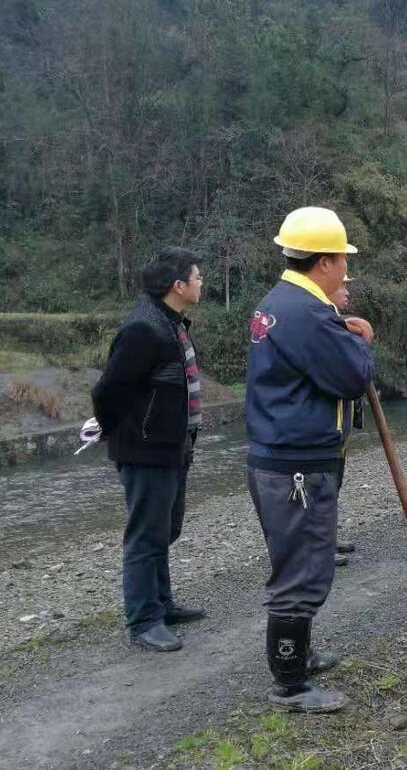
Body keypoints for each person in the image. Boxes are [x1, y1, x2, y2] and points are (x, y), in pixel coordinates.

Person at [246, 206, 374, 712]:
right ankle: (290, 684)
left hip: (282, 454)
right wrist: (363, 345)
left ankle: (298, 656)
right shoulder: (305, 312)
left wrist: (345, 334)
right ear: (323, 261)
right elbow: (352, 378)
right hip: (295, 463)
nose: (346, 267)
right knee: (302, 570)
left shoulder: (280, 303)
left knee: (302, 561)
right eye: (343, 258)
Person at [92, 247, 207, 653]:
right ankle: (144, 620)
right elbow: (107, 391)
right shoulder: (144, 329)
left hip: (172, 447)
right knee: (145, 536)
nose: (201, 282)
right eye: (196, 277)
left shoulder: (170, 321)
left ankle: (163, 604)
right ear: (178, 286)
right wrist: (115, 432)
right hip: (146, 451)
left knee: (165, 530)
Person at [329, 278, 361, 568]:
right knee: (324, 485)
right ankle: (320, 545)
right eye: (342, 286)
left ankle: (328, 535)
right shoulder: (323, 323)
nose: (347, 291)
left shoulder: (337, 320)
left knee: (335, 482)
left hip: (342, 421)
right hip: (328, 425)